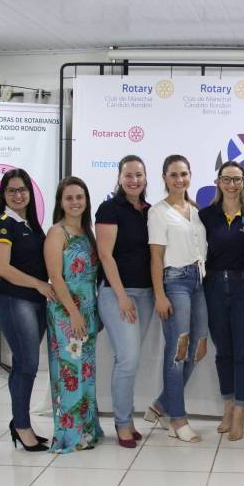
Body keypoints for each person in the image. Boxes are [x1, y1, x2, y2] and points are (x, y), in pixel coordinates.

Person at [143, 155, 209, 443]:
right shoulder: (158, 212)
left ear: (190, 175)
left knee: (198, 348)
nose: (179, 179)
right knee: (178, 351)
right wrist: (160, 294)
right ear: (164, 178)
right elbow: (156, 257)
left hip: (199, 281)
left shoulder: (195, 210)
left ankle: (161, 404)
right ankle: (177, 419)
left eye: (184, 174)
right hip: (175, 282)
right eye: (173, 175)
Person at [0, 169, 54, 452]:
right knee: (27, 364)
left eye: (22, 190)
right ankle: (21, 425)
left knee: (24, 366)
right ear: (3, 195)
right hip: (15, 301)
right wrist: (39, 284)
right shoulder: (3, 225)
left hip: (36, 302)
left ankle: (20, 422)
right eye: (11, 190)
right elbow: (2, 268)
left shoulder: (32, 225)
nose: (18, 195)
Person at [199, 161, 244, 442]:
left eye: (237, 179)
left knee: (243, 352)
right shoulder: (206, 215)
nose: (232, 185)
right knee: (223, 351)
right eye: (227, 179)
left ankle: (239, 412)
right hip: (213, 286)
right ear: (218, 182)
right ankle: (227, 407)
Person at [96, 155, 153, 448]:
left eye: (138, 175)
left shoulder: (149, 211)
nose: (134, 180)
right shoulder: (109, 208)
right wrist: (121, 296)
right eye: (128, 175)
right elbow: (105, 255)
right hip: (117, 293)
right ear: (119, 178)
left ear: (145, 178)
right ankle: (122, 422)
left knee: (131, 359)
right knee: (127, 359)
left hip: (146, 293)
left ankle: (127, 419)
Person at [45, 176, 103, 453]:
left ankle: (87, 430)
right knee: (69, 371)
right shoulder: (57, 232)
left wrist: (89, 311)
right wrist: (73, 313)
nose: (75, 202)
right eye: (69, 198)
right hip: (67, 312)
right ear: (60, 202)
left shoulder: (87, 231)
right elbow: (56, 277)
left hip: (87, 309)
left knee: (86, 372)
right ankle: (70, 434)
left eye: (80, 197)